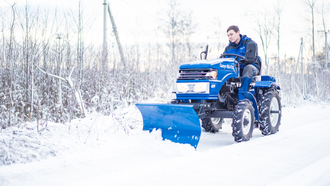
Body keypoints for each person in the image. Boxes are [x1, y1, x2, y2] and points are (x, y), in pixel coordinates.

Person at [223, 25, 261, 93]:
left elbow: (251, 59)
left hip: (251, 68)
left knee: (248, 68)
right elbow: (223, 60)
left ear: (238, 33)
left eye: (231, 34)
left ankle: (243, 93)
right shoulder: (228, 48)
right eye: (228, 35)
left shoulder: (249, 43)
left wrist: (242, 61)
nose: (230, 37)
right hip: (235, 70)